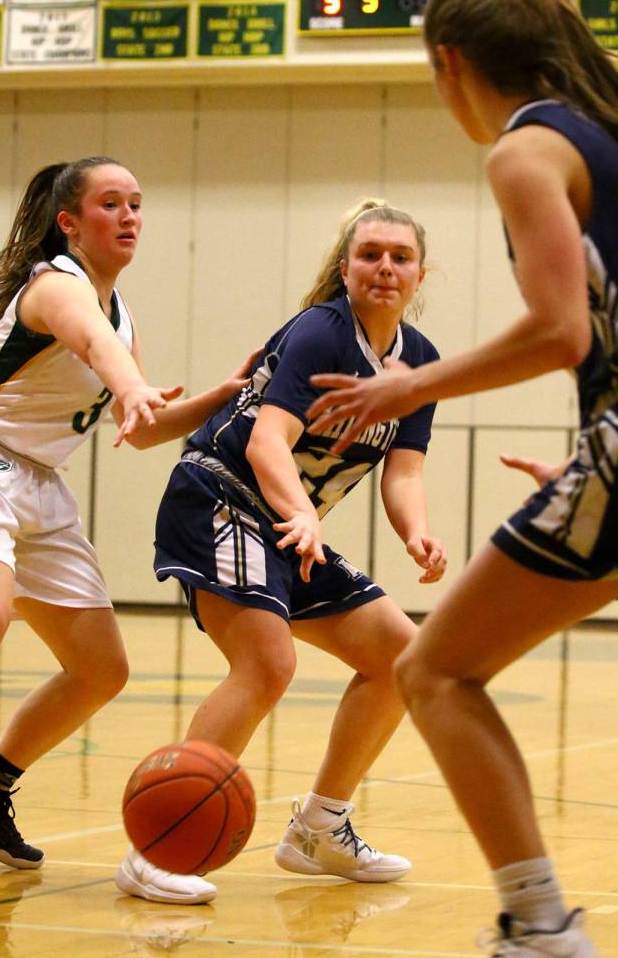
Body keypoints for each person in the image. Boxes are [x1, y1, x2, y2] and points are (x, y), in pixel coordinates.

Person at [305, 0, 618, 958]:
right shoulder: (611, 144)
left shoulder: (527, 148)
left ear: (447, 64)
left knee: (432, 667)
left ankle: (543, 935)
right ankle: (545, 938)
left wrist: (403, 389)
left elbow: (556, 329)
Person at [116, 198, 448, 905]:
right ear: (346, 267)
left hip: (289, 521)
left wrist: (415, 531)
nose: (384, 267)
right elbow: (268, 441)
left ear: (422, 273)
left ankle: (319, 829)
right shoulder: (320, 332)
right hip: (220, 493)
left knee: (400, 659)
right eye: (370, 254)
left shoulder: (419, 363)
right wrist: (302, 513)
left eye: (400, 256)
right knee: (267, 661)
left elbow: (405, 468)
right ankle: (154, 849)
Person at [0, 157, 254, 872]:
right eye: (110, 204)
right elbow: (100, 354)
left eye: (136, 204)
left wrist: (222, 394)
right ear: (69, 223)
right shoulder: (55, 286)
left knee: (100, 669)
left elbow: (143, 426)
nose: (128, 216)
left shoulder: (120, 311)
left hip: (39, 483)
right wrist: (130, 384)